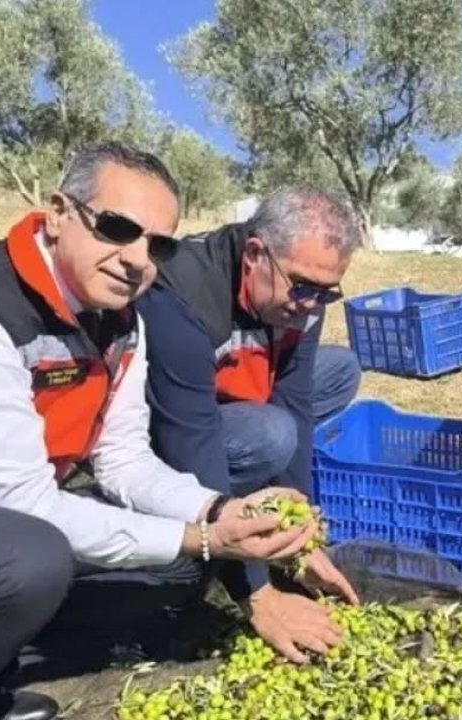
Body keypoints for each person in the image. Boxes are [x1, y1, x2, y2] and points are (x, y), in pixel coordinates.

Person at [0, 142, 324, 720]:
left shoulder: (121, 323)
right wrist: (205, 540)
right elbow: (24, 501)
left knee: (133, 554)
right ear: (60, 213)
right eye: (116, 228)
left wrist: (218, 511)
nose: (137, 259)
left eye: (157, 244)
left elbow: (125, 461)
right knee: (27, 558)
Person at [136, 185, 363, 664]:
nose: (311, 304)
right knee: (271, 435)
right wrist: (257, 591)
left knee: (338, 371)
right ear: (256, 254)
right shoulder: (179, 295)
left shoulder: (305, 297)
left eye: (327, 292)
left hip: (229, 394)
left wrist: (300, 539)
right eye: (302, 287)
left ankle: (256, 488)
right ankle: (227, 511)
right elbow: (192, 441)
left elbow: (298, 402)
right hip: (163, 427)